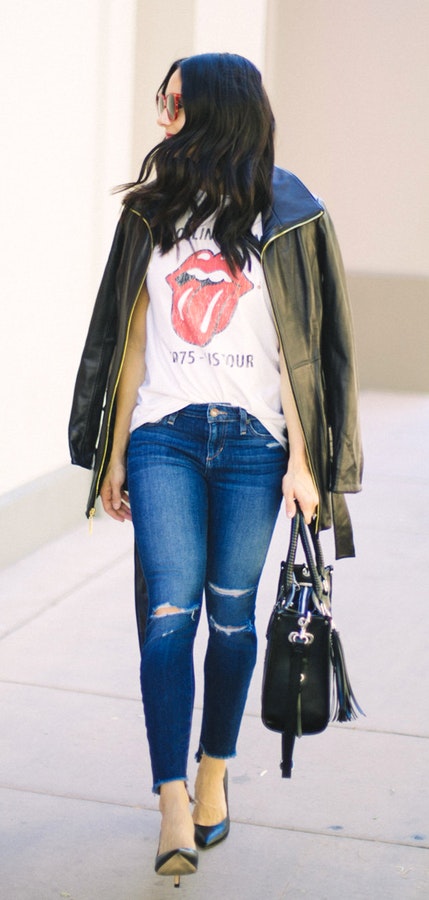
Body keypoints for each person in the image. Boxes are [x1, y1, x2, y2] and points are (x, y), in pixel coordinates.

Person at [69, 52, 363, 885]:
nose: (161, 118)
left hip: (253, 446)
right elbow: (129, 337)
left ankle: (212, 773)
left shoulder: (291, 213)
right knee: (168, 615)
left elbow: (305, 355)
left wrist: (306, 463)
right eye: (160, 103)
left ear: (214, 112)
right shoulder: (149, 215)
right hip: (164, 432)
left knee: (230, 623)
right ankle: (170, 803)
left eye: (173, 104)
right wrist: (117, 447)